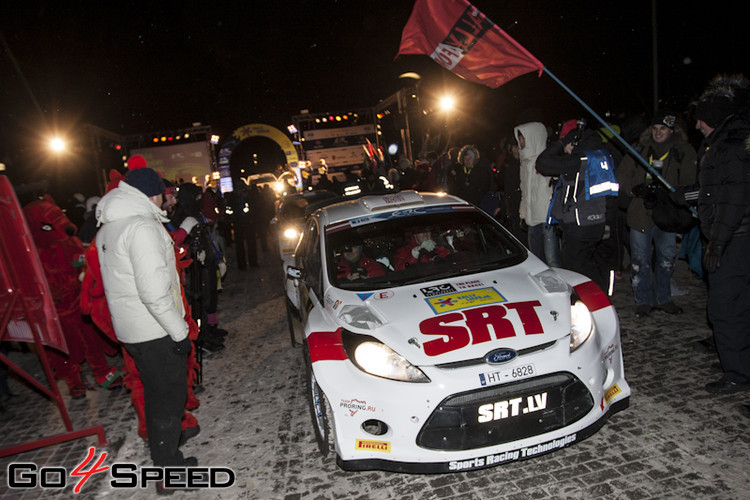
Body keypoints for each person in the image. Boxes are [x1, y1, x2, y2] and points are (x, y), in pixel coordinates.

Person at [95, 167, 197, 475]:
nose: (167, 202)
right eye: (164, 195)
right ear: (154, 195)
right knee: (169, 398)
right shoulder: (142, 228)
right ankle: (169, 470)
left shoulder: (110, 226)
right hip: (156, 330)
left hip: (132, 330)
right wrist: (180, 333)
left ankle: (165, 455)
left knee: (155, 395)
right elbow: (154, 292)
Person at [690, 74, 750, 396]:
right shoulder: (726, 143)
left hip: (735, 240)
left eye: (701, 118)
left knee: (725, 309)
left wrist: (718, 242)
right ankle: (737, 359)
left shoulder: (729, 147)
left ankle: (737, 374)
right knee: (737, 306)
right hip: (736, 237)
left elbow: (734, 199)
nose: (697, 125)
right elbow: (713, 192)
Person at [617, 109, 697, 317]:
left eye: (663, 129)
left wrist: (669, 192)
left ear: (672, 130)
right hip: (640, 213)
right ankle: (643, 300)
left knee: (666, 257)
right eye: (655, 128)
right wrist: (635, 189)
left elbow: (689, 181)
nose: (658, 133)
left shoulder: (683, 150)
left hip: (668, 215)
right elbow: (622, 175)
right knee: (639, 259)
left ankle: (664, 298)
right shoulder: (639, 149)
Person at [536, 120, 618, 292]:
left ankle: (596, 305)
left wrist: (561, 142)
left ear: (573, 140)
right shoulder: (599, 154)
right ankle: (601, 300)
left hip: (580, 225)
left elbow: (542, 163)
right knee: (592, 265)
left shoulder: (580, 159)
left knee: (579, 272)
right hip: (596, 222)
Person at [515, 121, 561, 267]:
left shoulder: (547, 160)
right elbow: (524, 190)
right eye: (520, 138)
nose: (521, 142)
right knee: (537, 259)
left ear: (533, 138)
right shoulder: (525, 162)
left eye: (523, 138)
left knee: (552, 258)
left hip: (547, 218)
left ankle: (560, 285)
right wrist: (522, 213)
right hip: (531, 217)